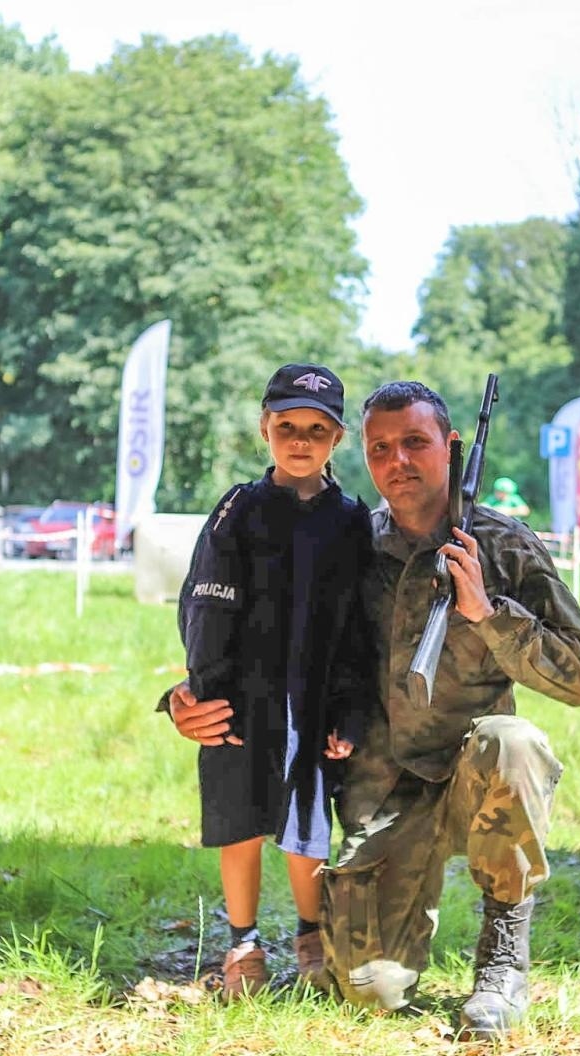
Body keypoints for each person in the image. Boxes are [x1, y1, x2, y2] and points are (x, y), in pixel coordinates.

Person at [170, 381, 580, 1037]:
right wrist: (186, 697)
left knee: (515, 745)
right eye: (381, 448)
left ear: (450, 447)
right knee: (367, 991)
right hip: (388, 789)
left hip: (473, 775)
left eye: (415, 443)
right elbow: (274, 637)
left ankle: (502, 961)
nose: (397, 461)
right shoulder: (353, 539)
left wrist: (488, 612)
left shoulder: (501, 544)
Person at [169, 363, 374, 997]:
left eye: (317, 429)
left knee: (307, 822)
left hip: (313, 703)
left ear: (338, 438)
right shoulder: (238, 509)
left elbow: (359, 627)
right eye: (288, 427)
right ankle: (244, 942)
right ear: (265, 428)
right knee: (239, 818)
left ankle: (312, 936)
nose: (301, 441)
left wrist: (349, 710)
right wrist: (204, 688)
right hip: (237, 698)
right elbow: (203, 602)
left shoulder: (351, 519)